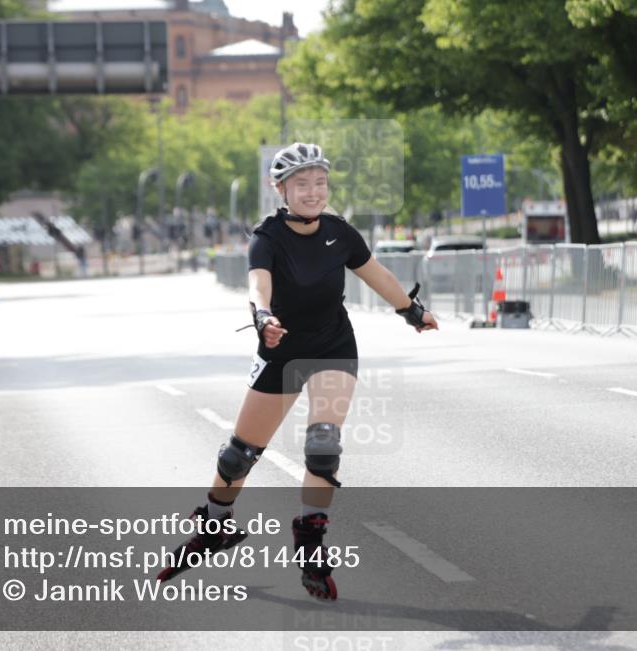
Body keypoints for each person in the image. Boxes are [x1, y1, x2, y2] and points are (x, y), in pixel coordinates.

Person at [156, 142, 438, 600]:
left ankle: (310, 545)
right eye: (302, 184)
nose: (313, 192)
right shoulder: (266, 237)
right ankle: (214, 526)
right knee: (238, 456)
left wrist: (411, 310)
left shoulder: (340, 233)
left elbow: (377, 274)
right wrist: (263, 316)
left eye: (320, 183)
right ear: (281, 189)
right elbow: (257, 282)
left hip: (332, 346)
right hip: (280, 346)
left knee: (323, 444)